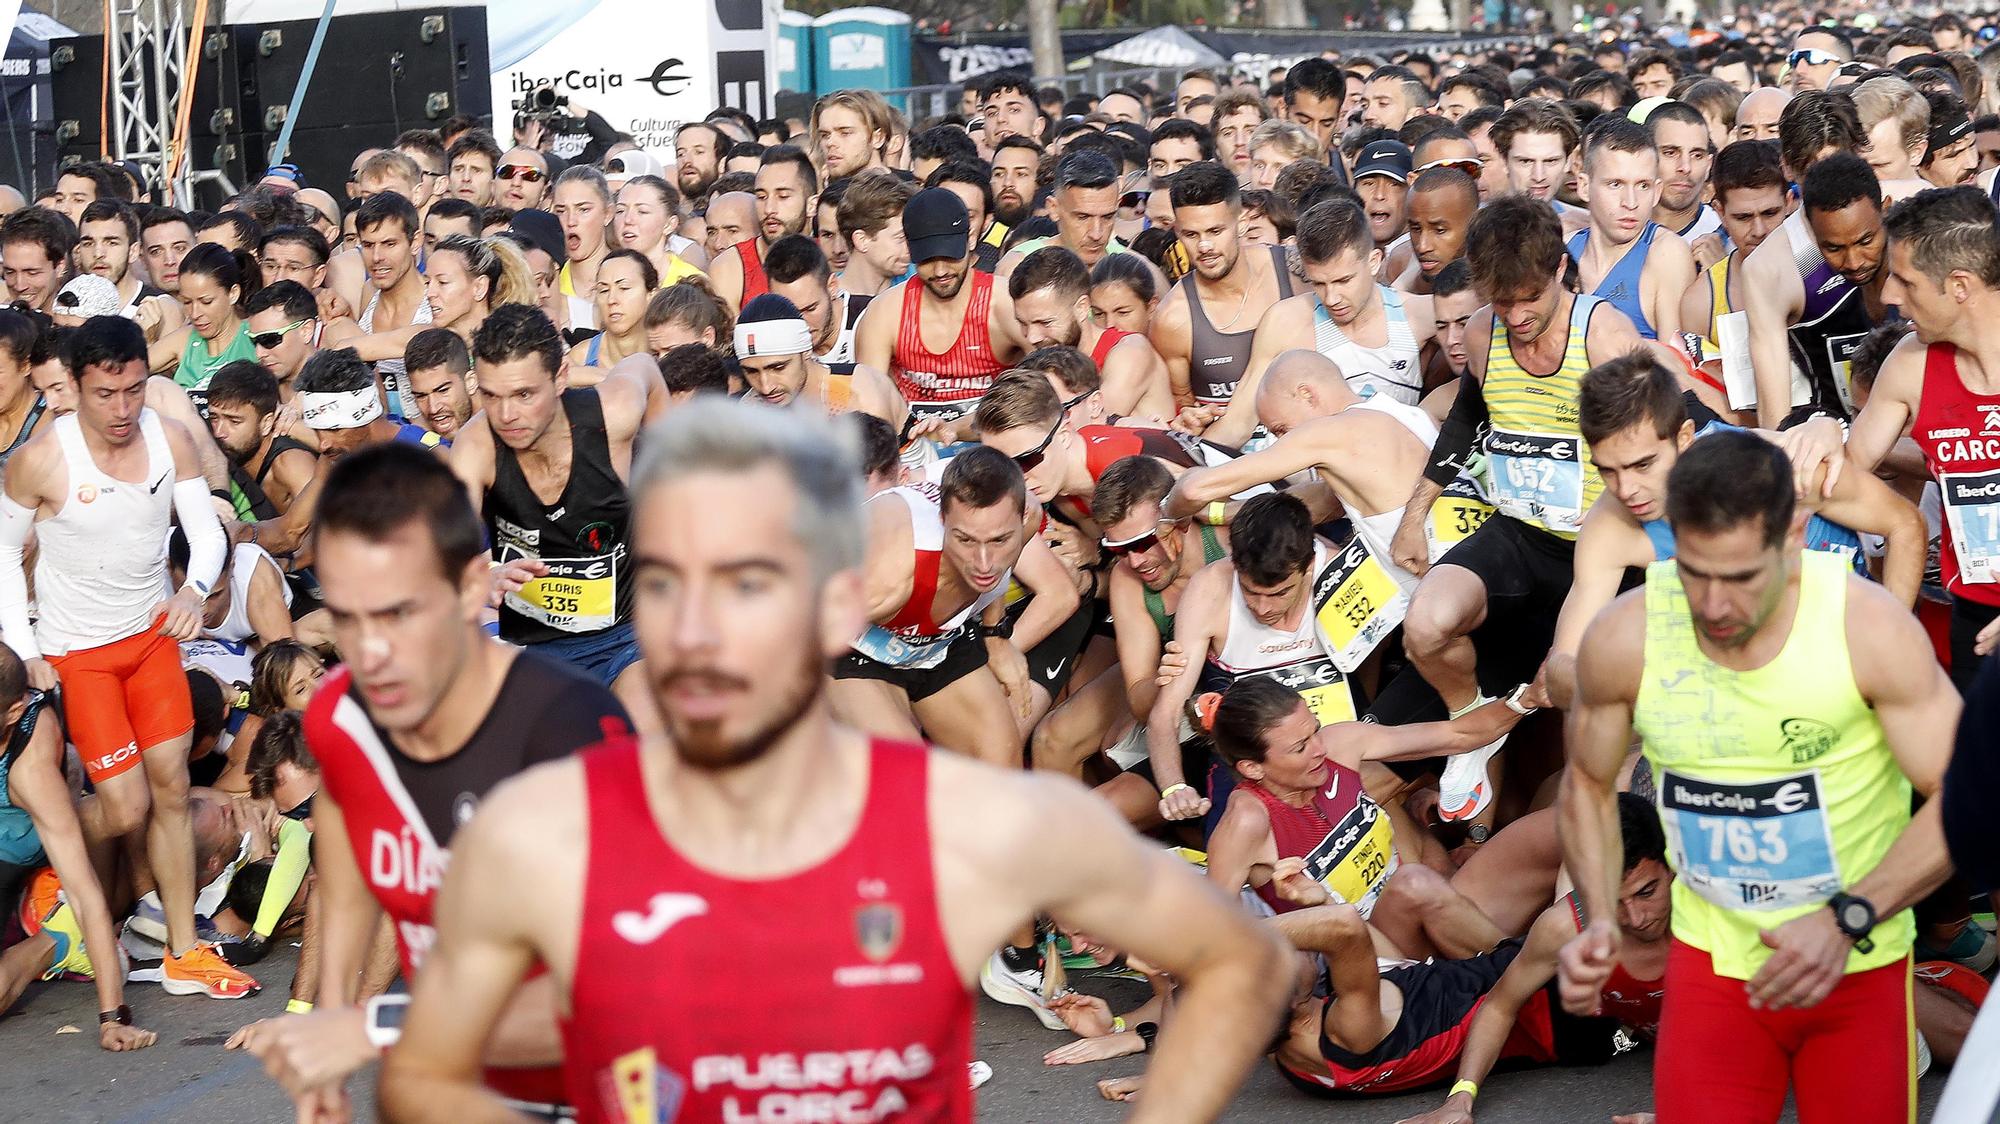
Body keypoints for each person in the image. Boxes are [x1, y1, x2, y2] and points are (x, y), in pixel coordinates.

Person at [376, 398, 1293, 1124]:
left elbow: (1243, 965)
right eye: (670, 587)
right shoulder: (563, 830)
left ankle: (1018, 955)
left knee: (988, 761)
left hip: (923, 656)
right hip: (878, 658)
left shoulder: (993, 823)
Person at [1559, 432, 1958, 1124]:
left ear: (1795, 531)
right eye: (1692, 571)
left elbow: (1969, 795)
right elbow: (1588, 786)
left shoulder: (1868, 630)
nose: (1713, 606)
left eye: (1741, 577)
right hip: (1713, 971)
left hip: (1856, 971)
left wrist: (1847, 917)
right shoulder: (1627, 637)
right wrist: (1599, 917)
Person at [225, 444, 630, 1121]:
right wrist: (330, 1019)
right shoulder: (338, 714)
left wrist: (371, 1026)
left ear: (474, 588)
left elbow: (613, 997)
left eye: (399, 614)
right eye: (348, 619)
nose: (371, 652)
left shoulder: (571, 735)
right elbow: (349, 862)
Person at [0, 316, 257, 999]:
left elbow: (206, 535)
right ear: (74, 388)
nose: (122, 409)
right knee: (123, 807)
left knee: (171, 786)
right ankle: (35, 854)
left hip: (149, 643)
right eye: (105, 394)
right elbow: (2, 553)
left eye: (135, 391)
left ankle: (182, 951)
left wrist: (195, 591)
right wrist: (26, 652)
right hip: (78, 653)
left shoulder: (169, 438)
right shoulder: (42, 459)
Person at [1388, 196, 1644, 826]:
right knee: (1424, 626)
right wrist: (1415, 512)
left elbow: (1659, 436)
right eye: (1502, 301)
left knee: (1580, 699)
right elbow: (1469, 418)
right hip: (1519, 533)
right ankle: (1471, 725)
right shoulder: (1482, 332)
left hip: (1601, 546)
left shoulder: (1605, 334)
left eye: (1529, 297)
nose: (1517, 315)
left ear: (1561, 269)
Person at [1543, 353, 1925, 709]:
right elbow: (1563, 666)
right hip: (1738, 679)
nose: (1625, 490)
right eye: (1607, 471)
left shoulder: (1775, 468)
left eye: (1643, 466)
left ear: (1685, 437)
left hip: (1843, 654)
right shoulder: (1610, 527)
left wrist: (1888, 655)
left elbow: (1905, 525)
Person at [1395, 793, 1672, 1124]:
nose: (1636, 918)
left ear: (1672, 868)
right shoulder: (1566, 926)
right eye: (1614, 902)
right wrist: (1460, 1098)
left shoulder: (1719, 918)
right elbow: (1499, 1005)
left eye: (1646, 892)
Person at [831, 445, 1078, 767]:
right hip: (854, 644)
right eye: (965, 540)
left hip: (937, 640)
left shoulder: (1028, 513)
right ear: (943, 520)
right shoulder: (887, 575)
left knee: (1001, 768)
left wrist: (995, 635)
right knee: (902, 769)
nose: (985, 563)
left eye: (1000, 541)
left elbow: (998, 571)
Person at [450, 303, 648, 696]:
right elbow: (446, 539)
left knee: (636, 729)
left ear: (560, 378)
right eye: (491, 396)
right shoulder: (475, 447)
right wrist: (475, 574)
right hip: (539, 648)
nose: (506, 414)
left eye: (524, 394)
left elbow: (646, 368)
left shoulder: (614, 413)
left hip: (630, 635)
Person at [1209, 197, 1438, 452]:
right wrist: (1189, 455)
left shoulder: (1421, 316)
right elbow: (1239, 423)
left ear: (1374, 262)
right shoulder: (1285, 320)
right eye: (1318, 283)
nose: (1331, 298)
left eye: (1343, 281)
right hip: (1296, 475)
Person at [1739, 97, 1878, 426]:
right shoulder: (1769, 267)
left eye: (1842, 169)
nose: (1831, 188)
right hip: (1839, 441)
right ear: (1787, 167)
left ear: (1861, 156)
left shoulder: (1904, 215)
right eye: (1816, 174)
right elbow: (1776, 413)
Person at [853, 189, 1022, 450]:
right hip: (916, 456)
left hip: (997, 453)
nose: (941, 271)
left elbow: (1044, 397)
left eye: (949, 256)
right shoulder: (884, 313)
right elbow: (870, 417)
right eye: (928, 260)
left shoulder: (1005, 303)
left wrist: (957, 428)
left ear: (971, 240)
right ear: (910, 250)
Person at [1149, 162, 1295, 413]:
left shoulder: (1292, 271)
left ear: (1242, 223)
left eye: (1215, 231)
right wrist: (1190, 418)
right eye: (1191, 235)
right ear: (1177, 231)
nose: (1204, 246)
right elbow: (1181, 407)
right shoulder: (1173, 318)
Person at [1566, 118, 1696, 342]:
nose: (1631, 202)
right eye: (1615, 184)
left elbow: (1676, 366)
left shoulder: (1666, 254)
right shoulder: (1564, 247)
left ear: (1657, 192)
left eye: (1643, 186)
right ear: (1585, 186)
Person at [1010, 246, 1175, 419]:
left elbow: (1090, 425)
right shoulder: (1046, 359)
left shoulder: (1131, 351)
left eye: (1044, 322)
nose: (1031, 337)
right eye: (1023, 323)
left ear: (1082, 308)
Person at [1679, 140, 1792, 344]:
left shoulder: (1823, 273)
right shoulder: (1700, 302)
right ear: (1719, 212)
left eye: (1770, 213)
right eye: (1743, 217)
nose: (1759, 230)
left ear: (1789, 203)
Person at [709, 146, 817, 312]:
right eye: (761, 197)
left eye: (783, 196)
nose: (769, 209)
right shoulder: (730, 267)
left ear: (811, 205)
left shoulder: (829, 255)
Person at [205, 361, 316, 522]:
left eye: (234, 421)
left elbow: (325, 532)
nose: (219, 432)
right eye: (214, 417)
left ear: (266, 423)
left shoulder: (292, 464)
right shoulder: (209, 444)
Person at [404, 328, 476, 442]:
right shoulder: (416, 440)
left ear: (471, 382)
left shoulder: (502, 428)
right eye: (421, 396)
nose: (433, 408)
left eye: (443, 391)